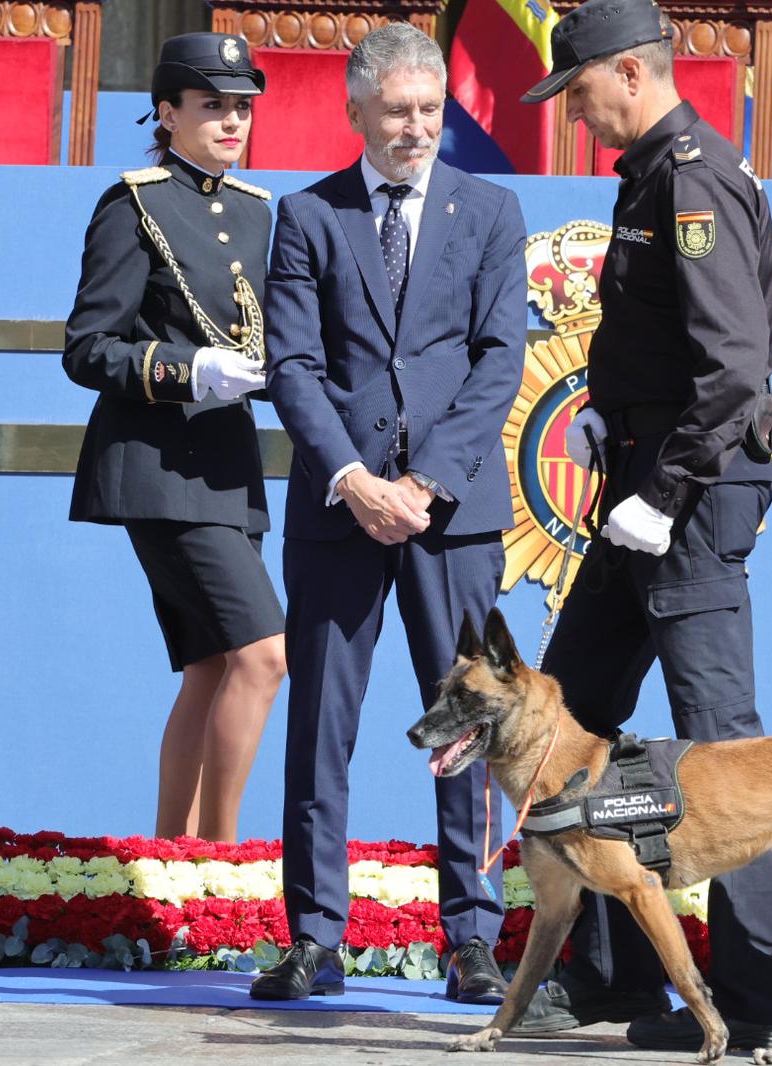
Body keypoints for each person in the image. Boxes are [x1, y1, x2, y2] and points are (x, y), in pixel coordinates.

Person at [510, 0, 772, 1051]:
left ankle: (762, 1004)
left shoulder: (692, 178)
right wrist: (601, 411)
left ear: (630, 72)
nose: (575, 114)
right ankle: (614, 976)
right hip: (638, 487)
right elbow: (656, 341)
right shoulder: (647, 172)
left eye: (580, 91)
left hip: (686, 498)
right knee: (571, 725)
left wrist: (663, 488)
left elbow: (733, 371)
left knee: (726, 755)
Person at [255, 23, 526, 1006]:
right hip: (339, 512)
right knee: (320, 727)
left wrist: (424, 483)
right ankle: (315, 939)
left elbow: (500, 359)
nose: (417, 127)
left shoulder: (490, 208)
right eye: (399, 110)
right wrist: (354, 480)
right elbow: (292, 365)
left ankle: (472, 938)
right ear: (355, 109)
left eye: (429, 109)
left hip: (450, 518)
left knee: (469, 730)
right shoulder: (308, 214)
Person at [63, 32, 285, 845]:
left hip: (229, 468)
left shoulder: (259, 211)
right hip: (159, 469)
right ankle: (222, 861)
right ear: (166, 113)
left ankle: (174, 856)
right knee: (264, 657)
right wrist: (188, 371)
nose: (232, 122)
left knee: (213, 667)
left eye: (242, 107)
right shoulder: (134, 203)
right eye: (212, 106)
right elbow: (87, 348)